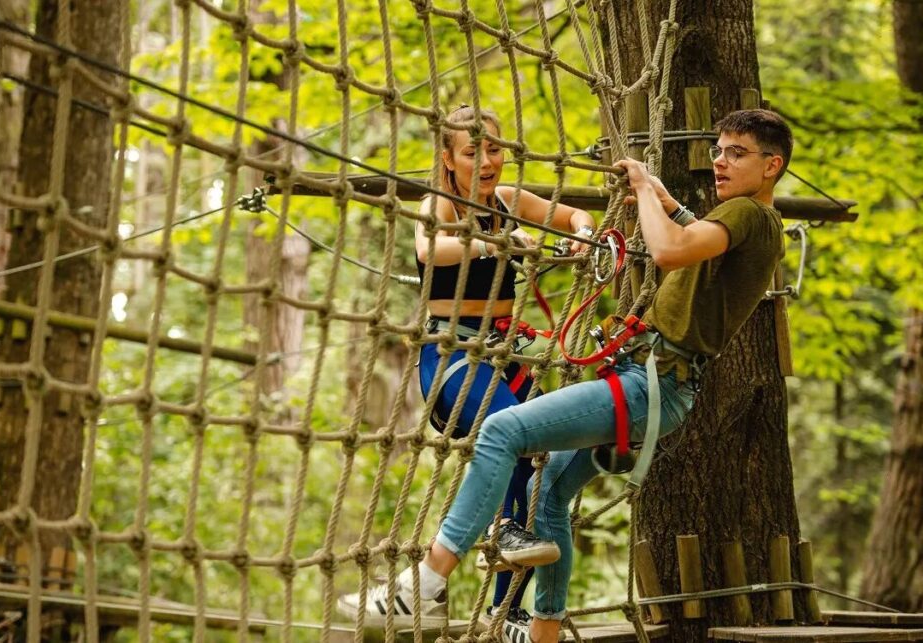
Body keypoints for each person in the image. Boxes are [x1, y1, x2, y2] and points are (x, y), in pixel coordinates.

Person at [339, 108, 792, 643]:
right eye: (718, 150)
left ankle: (426, 583)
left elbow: (671, 250)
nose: (720, 161)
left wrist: (645, 188)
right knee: (545, 488)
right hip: (638, 380)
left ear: (772, 166)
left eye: (736, 153)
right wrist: (671, 205)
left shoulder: (747, 212)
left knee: (502, 432)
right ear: (448, 160)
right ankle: (542, 630)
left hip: (649, 383)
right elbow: (698, 242)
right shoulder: (749, 223)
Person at [338, 105, 596, 636]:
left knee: (539, 469)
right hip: (454, 357)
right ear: (449, 159)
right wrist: (496, 243)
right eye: (472, 152)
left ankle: (506, 613)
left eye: (494, 149)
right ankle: (430, 582)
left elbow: (572, 215)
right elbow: (432, 248)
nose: (487, 161)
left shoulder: (507, 201)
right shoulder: (439, 204)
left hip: (505, 353)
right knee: (516, 436)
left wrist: (582, 230)